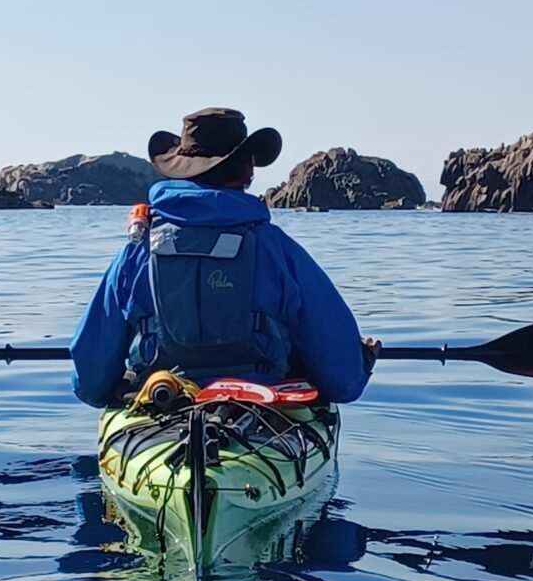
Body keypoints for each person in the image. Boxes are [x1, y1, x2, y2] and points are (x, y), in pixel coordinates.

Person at [70, 107, 379, 408]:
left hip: (159, 404)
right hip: (264, 411)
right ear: (246, 170)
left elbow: (91, 381)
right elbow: (343, 381)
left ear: (180, 169)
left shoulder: (136, 250)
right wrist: (362, 360)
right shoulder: (278, 249)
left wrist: (107, 391)